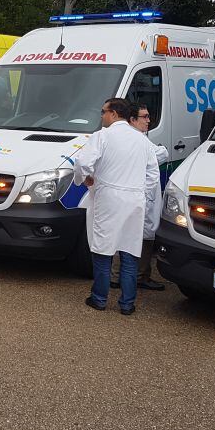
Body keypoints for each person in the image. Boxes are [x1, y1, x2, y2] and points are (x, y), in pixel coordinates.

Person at [75, 98, 153, 316]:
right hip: (135, 200)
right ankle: (127, 304)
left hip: (108, 197)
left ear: (114, 113)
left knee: (102, 249)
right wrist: (139, 191)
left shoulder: (102, 136)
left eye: (103, 111)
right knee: (129, 251)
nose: (101, 116)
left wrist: (85, 179)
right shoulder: (142, 141)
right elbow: (152, 175)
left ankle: (99, 298)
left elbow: (82, 163)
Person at [128, 102, 166, 291]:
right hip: (140, 195)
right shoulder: (136, 140)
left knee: (142, 234)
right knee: (141, 236)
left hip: (142, 196)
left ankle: (128, 275)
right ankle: (139, 276)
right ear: (132, 120)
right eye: (145, 117)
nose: (149, 121)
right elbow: (160, 154)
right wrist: (162, 150)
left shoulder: (141, 138)